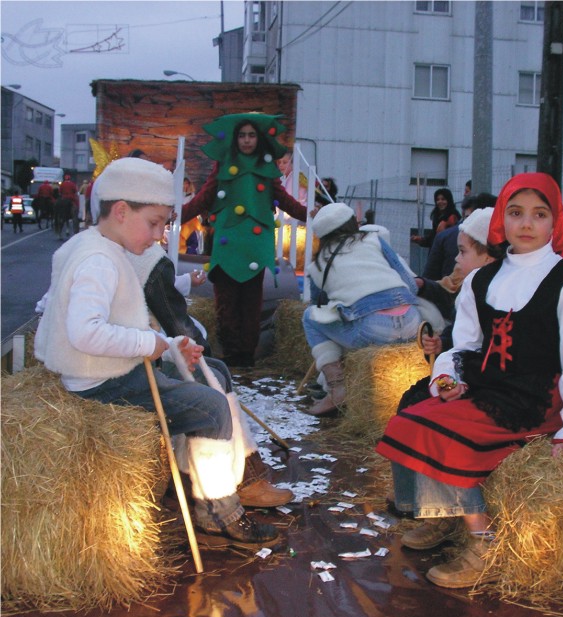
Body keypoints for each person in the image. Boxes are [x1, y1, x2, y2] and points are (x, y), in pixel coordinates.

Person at [376, 172, 563, 589]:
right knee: (408, 415)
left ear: (555, 222)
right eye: (515, 212)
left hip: (535, 397)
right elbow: (462, 345)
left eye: (539, 214)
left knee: (445, 434)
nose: (526, 223)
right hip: (487, 387)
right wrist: (447, 379)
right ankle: (441, 516)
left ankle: (484, 544)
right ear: (503, 219)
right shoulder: (483, 279)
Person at [34, 157, 279, 545]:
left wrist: (168, 347)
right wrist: (153, 344)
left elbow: (112, 328)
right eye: (154, 223)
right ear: (120, 210)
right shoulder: (100, 259)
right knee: (212, 408)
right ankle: (218, 512)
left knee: (205, 385)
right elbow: (86, 332)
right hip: (103, 381)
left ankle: (194, 486)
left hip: (104, 371)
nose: (159, 234)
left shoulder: (93, 247)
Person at [125, 240, 294, 508]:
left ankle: (244, 472)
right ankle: (219, 483)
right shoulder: (144, 259)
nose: (160, 232)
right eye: (155, 221)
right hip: (133, 361)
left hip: (145, 347)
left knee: (218, 370)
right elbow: (174, 320)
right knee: (207, 381)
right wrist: (194, 351)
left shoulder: (130, 252)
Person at [181, 113, 310, 368]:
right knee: (226, 302)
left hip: (254, 245)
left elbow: (283, 199)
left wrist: (311, 214)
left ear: (258, 138)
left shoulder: (266, 167)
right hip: (228, 243)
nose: (247, 140)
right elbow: (205, 197)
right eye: (242, 135)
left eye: (251, 135)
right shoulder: (223, 165)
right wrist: (176, 214)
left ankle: (246, 358)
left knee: (251, 303)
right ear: (235, 138)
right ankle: (230, 356)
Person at [303, 203, 423, 416]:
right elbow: (410, 285)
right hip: (413, 322)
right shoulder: (374, 239)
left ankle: (336, 387)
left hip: (372, 329)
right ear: (352, 223)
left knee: (310, 317)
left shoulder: (318, 264)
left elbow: (318, 306)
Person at [397, 207, 504, 410]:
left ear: (488, 258)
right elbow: (458, 335)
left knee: (418, 406)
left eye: (462, 252)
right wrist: (441, 344)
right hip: (460, 374)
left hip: (484, 383)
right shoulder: (469, 289)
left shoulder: (498, 297)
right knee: (412, 400)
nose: (456, 258)